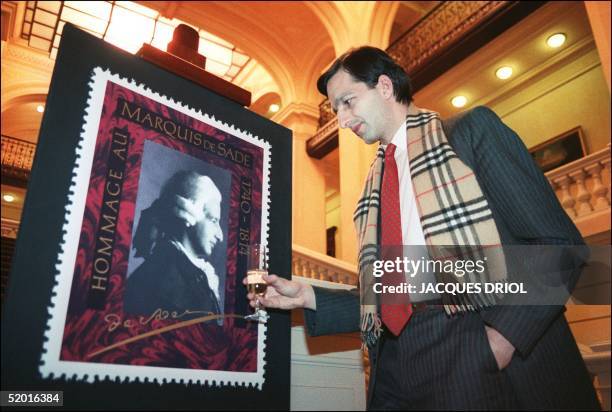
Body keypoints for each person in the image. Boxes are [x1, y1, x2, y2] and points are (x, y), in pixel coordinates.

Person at [246, 47, 600, 410]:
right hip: (396, 358)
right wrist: (307, 296)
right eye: (336, 109)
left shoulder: (468, 134)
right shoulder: (373, 187)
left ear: (384, 86)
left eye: (347, 101)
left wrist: (499, 341)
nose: (341, 119)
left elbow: (558, 245)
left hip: (472, 337)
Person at [125, 170, 224, 320]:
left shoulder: (186, 272)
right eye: (214, 221)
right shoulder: (164, 279)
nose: (220, 235)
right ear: (189, 215)